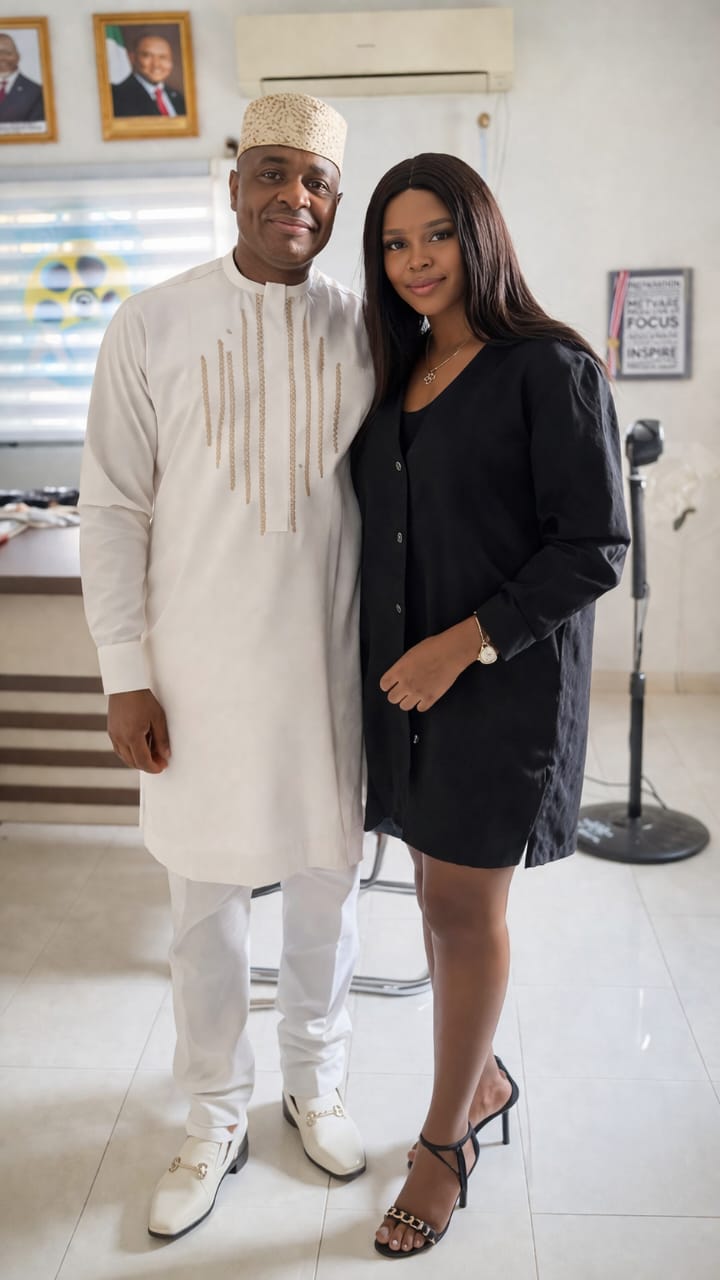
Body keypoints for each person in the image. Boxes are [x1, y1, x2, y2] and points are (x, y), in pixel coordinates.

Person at [79, 92, 374, 1242]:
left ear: (335, 202)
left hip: (328, 673)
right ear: (235, 181)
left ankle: (315, 1079)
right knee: (204, 907)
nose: (293, 196)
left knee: (326, 891)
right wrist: (124, 671)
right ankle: (211, 1113)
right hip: (193, 678)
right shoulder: (151, 322)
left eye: (316, 181)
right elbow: (114, 507)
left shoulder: (366, 328)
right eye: (272, 172)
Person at [352, 153, 630, 1257]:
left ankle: (444, 1145)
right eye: (394, 242)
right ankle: (485, 1081)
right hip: (409, 686)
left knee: (466, 911)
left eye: (436, 234)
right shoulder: (401, 370)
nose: (416, 260)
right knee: (435, 901)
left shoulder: (548, 369)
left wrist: (461, 644)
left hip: (497, 683)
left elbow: (594, 546)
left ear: (480, 235)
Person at [111, 32, 186, 117]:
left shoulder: (178, 97)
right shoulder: (117, 96)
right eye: (147, 56)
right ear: (132, 58)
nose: (156, 65)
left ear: (171, 61)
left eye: (163, 57)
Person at [0, 32, 44, 124]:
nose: (2, 58)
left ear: (18, 56)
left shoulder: (36, 92)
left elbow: (37, 128)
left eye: (7, 53)